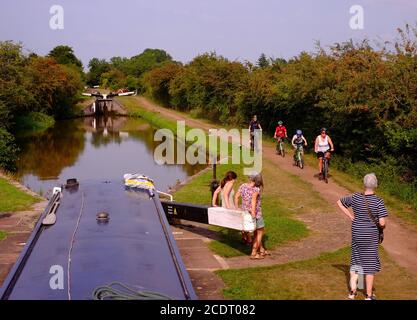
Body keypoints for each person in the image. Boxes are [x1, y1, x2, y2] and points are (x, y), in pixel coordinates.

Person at [336, 173, 388, 300]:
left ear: (364, 184)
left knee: (356, 260)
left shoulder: (355, 197)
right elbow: (382, 223)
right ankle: (368, 295)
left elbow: (339, 202)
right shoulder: (379, 201)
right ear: (375, 185)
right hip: (370, 236)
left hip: (357, 232)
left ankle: (353, 292)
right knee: (369, 265)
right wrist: (382, 226)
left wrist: (351, 216)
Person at [234, 173, 269, 259]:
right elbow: (253, 201)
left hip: (244, 213)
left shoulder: (243, 186)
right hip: (256, 214)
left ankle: (261, 250)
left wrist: (236, 208)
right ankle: (253, 253)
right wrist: (253, 214)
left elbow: (236, 196)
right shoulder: (256, 189)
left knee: (256, 232)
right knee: (260, 232)